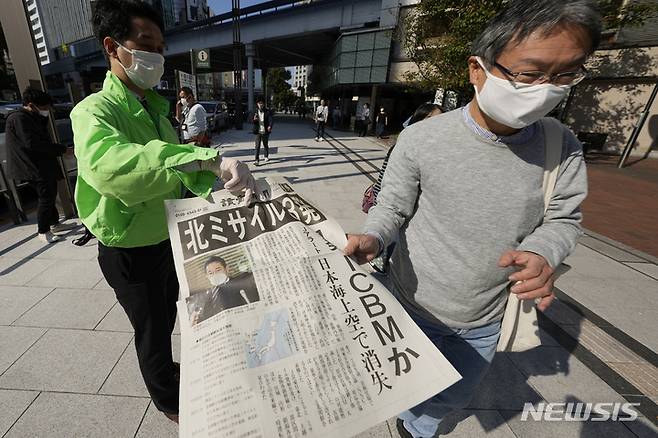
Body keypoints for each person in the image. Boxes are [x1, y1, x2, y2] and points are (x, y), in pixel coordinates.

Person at [344, 1, 600, 437]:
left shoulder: (563, 146)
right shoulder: (421, 137)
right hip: (408, 304)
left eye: (565, 75)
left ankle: (416, 430)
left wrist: (543, 251)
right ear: (477, 70)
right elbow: (392, 206)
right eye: (530, 73)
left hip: (486, 318)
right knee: (396, 385)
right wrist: (373, 237)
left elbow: (563, 217)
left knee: (455, 395)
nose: (547, 88)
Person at [70, 0, 255, 424]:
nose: (156, 55)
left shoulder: (157, 107)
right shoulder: (93, 111)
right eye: (145, 43)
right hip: (131, 244)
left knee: (178, 310)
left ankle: (186, 371)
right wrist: (206, 159)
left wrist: (220, 182)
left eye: (161, 45)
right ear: (113, 47)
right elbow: (115, 168)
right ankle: (169, 399)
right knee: (152, 329)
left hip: (171, 233)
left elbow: (176, 172)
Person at [5, 87, 75, 243]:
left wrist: (42, 118)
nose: (46, 111)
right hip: (31, 167)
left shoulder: (30, 117)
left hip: (39, 165)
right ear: (31, 104)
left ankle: (54, 224)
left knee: (50, 194)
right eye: (43, 108)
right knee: (46, 197)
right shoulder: (19, 118)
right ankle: (43, 231)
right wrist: (62, 149)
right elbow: (33, 144)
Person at [188, 255, 260, 326]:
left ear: (227, 269)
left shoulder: (241, 281)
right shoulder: (206, 296)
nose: (215, 275)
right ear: (207, 276)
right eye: (210, 273)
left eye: (218, 270)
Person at [252, 96, 273, 165]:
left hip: (265, 131)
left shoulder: (267, 111)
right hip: (258, 131)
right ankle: (256, 160)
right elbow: (251, 121)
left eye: (261, 103)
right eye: (259, 103)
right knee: (257, 146)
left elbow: (271, 120)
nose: (260, 104)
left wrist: (270, 126)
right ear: (257, 104)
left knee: (265, 144)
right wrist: (254, 120)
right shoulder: (255, 112)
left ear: (263, 104)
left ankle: (266, 156)